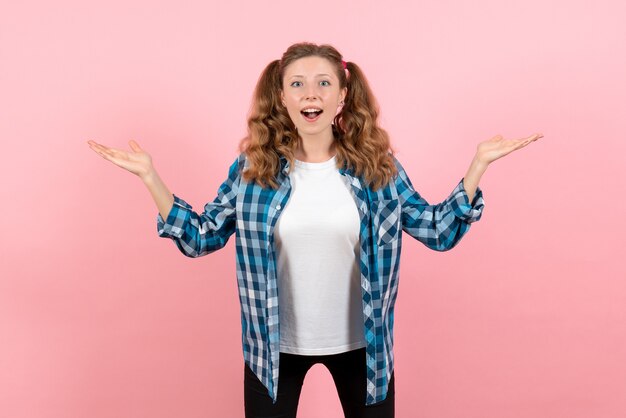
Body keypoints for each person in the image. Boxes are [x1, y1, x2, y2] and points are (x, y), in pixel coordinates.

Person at [87, 42, 542, 418]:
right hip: (273, 349)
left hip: (365, 347)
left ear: (342, 96)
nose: (312, 93)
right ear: (282, 97)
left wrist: (477, 166)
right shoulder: (252, 172)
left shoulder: (378, 171)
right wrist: (151, 177)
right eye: (298, 84)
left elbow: (438, 231)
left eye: (324, 83)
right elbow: (202, 236)